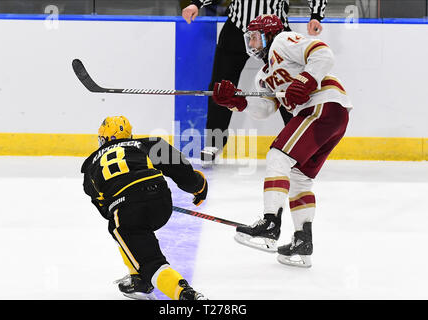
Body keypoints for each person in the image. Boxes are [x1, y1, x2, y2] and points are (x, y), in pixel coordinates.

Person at [211, 14, 352, 267]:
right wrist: (237, 102)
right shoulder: (264, 75)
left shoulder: (283, 41)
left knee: (278, 156)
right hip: (332, 115)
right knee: (300, 178)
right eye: (249, 38)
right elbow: (263, 110)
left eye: (255, 37)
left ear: (268, 35)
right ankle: (302, 242)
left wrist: (306, 79)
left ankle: (270, 223)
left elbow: (323, 53)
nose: (251, 43)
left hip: (323, 104)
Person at [182, 0, 328, 166]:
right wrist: (196, 4)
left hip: (274, 32)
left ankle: (301, 141)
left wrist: (316, 15)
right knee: (220, 85)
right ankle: (214, 142)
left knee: (289, 84)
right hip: (238, 27)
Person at [81, 116, 208, 300]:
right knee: (122, 228)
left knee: (143, 254)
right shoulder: (143, 144)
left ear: (103, 139)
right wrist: (198, 186)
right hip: (161, 200)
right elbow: (178, 167)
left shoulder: (90, 165)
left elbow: (103, 206)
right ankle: (136, 278)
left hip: (127, 210)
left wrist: (124, 204)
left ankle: (185, 295)